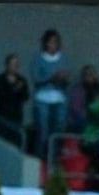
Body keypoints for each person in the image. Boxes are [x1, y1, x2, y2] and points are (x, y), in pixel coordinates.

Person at [30, 28, 71, 159]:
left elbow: (67, 80)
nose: (53, 45)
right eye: (50, 42)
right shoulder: (38, 59)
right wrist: (51, 77)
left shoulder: (63, 58)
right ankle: (39, 159)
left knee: (57, 132)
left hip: (59, 98)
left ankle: (54, 160)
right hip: (43, 98)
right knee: (43, 132)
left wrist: (64, 78)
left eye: (55, 42)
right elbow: (36, 79)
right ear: (45, 43)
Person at [0, 53, 30, 147]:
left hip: (16, 115)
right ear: (7, 65)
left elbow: (25, 96)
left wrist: (17, 91)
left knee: (14, 142)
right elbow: (1, 94)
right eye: (12, 64)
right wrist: (15, 89)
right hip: (1, 115)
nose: (14, 67)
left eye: (16, 65)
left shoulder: (22, 80)